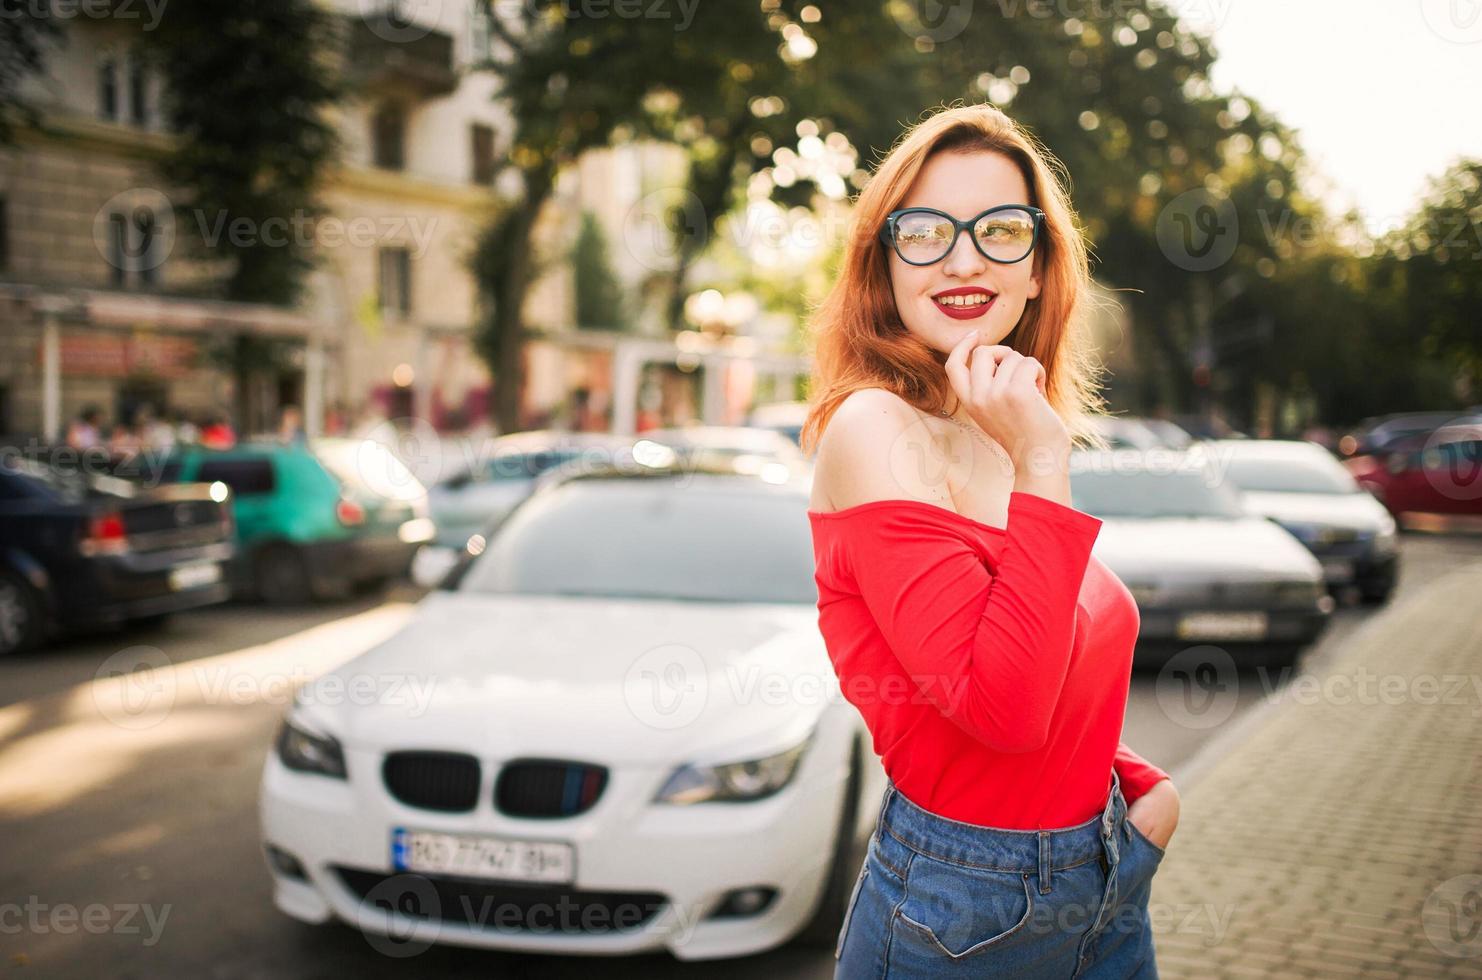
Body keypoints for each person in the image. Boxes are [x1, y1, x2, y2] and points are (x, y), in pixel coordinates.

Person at [800, 103, 1180, 978]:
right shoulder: (873, 428)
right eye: (925, 231)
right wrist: (1044, 456)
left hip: (1103, 877)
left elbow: (1048, 656)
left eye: (1001, 229)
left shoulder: (993, 430)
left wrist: (1133, 788)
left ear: (1042, 266)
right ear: (882, 262)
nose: (964, 259)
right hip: (958, 907)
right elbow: (1001, 712)